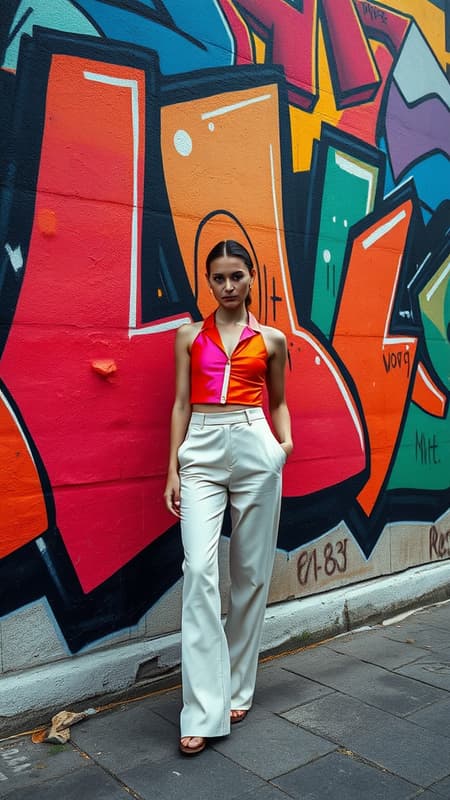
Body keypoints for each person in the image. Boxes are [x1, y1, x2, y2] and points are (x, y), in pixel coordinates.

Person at [164, 240, 293, 756]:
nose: (228, 286)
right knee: (198, 571)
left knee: (251, 573)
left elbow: (279, 400)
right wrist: (172, 466)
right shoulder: (188, 337)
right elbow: (179, 403)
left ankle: (238, 688)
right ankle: (201, 710)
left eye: (237, 276)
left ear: (251, 278)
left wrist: (282, 448)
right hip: (200, 445)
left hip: (255, 443)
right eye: (219, 278)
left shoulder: (272, 340)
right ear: (208, 282)